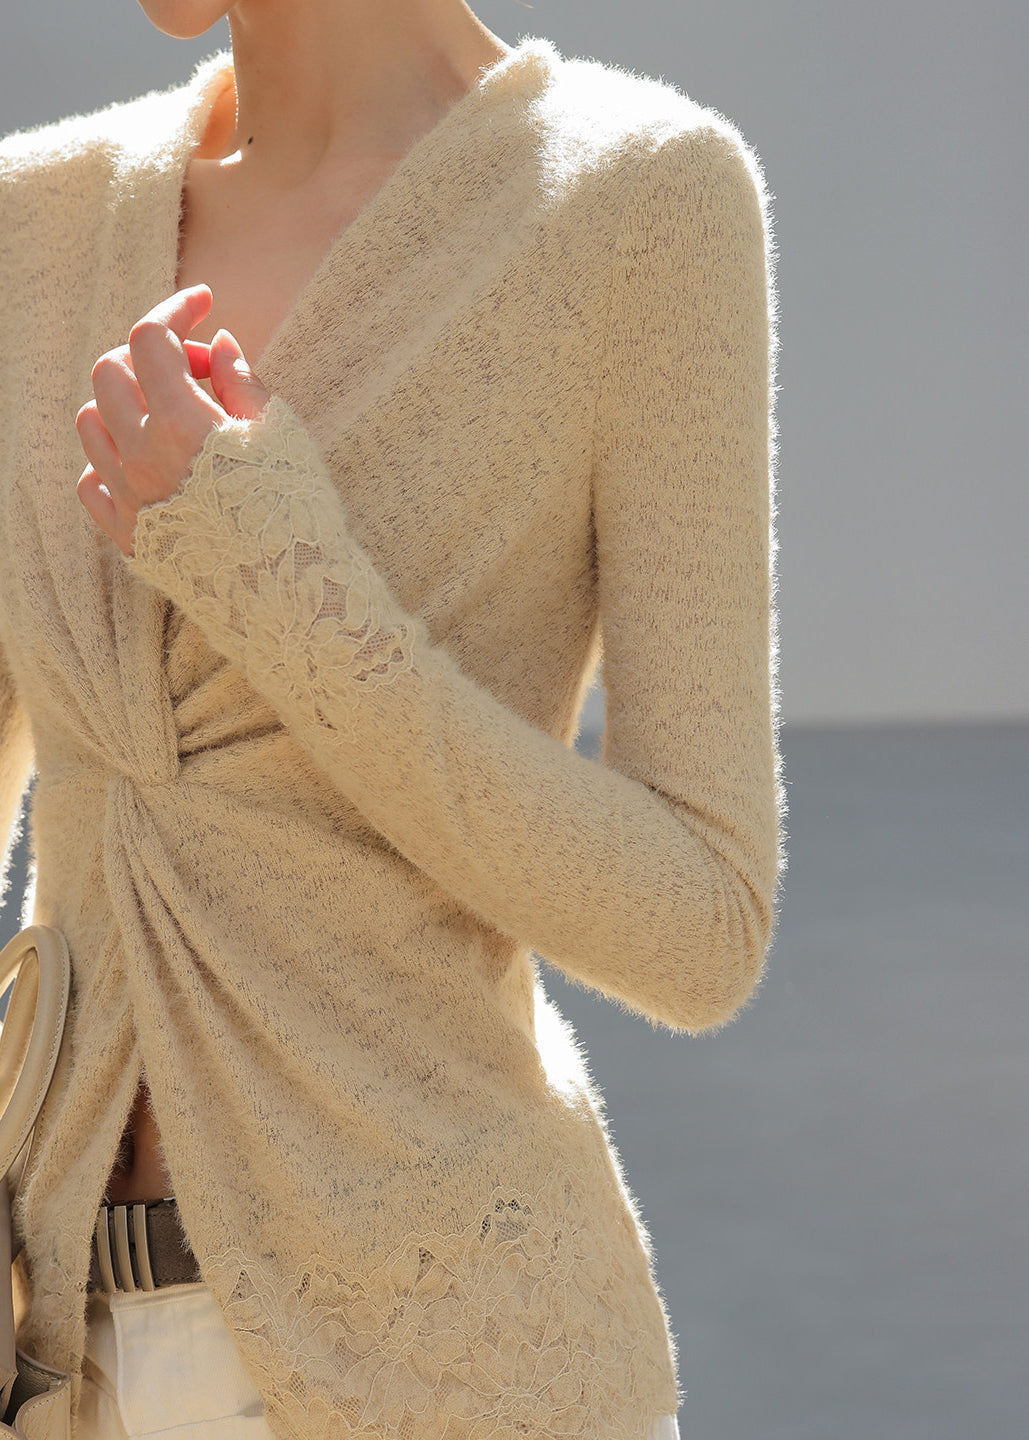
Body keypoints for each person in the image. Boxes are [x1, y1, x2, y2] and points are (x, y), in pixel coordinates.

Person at [0, 0, 786, 1436]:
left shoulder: (635, 197)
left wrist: (273, 572)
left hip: (458, 1370)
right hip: (56, 1362)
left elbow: (703, 925)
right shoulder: (27, 222)